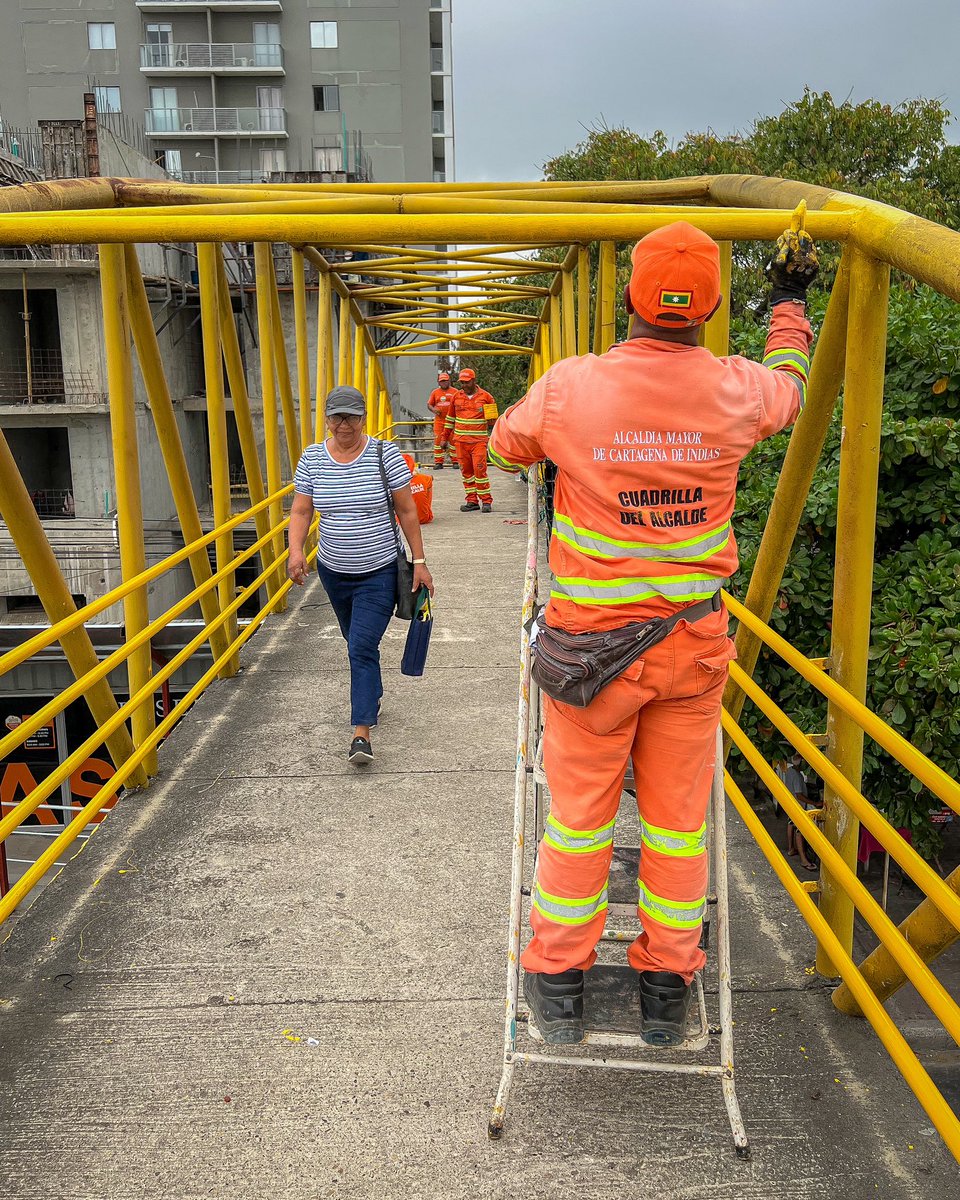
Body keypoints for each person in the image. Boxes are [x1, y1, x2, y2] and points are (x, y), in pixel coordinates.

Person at [488, 219, 817, 1046]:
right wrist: (790, 301)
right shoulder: (739, 389)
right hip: (688, 654)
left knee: (579, 822)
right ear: (708, 307)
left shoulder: (571, 385)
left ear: (631, 297)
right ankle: (667, 988)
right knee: (676, 828)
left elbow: (502, 444)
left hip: (591, 658)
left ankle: (558, 983)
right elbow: (792, 383)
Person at [287, 385, 434, 766]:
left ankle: (361, 734)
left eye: (351, 416)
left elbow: (407, 512)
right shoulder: (313, 458)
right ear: (327, 419)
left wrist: (419, 561)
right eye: (336, 416)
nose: (344, 424)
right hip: (333, 571)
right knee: (357, 643)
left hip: (379, 571)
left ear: (364, 417)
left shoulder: (385, 456)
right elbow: (302, 511)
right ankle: (373, 692)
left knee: (359, 647)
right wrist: (296, 551)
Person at [445, 367, 497, 512]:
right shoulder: (456, 396)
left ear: (474, 380)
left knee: (480, 471)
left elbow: (493, 421)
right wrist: (444, 437)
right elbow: (450, 418)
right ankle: (472, 500)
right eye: (462, 383)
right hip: (460, 442)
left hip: (478, 442)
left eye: (467, 382)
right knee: (466, 473)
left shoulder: (486, 397)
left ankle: (486, 501)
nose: (464, 386)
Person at [781, 754, 816, 871]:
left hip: (790, 804)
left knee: (790, 824)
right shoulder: (796, 776)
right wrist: (815, 803)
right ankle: (803, 860)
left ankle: (791, 849)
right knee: (799, 831)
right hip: (798, 805)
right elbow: (799, 795)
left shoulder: (790, 771)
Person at [427, 372, 458, 469]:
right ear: (438, 382)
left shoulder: (455, 392)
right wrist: (434, 410)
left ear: (449, 381)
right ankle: (438, 463)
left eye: (445, 380)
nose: (444, 383)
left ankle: (456, 462)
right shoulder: (435, 392)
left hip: (452, 421)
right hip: (439, 422)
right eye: (442, 381)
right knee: (438, 442)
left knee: (454, 441)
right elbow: (429, 405)